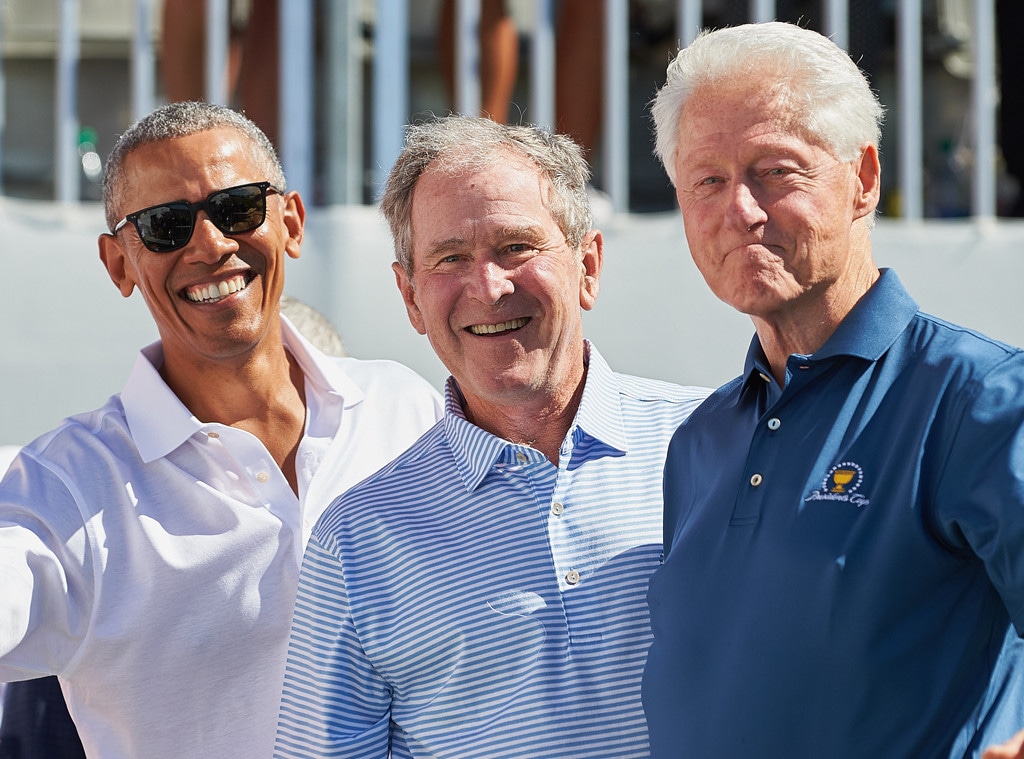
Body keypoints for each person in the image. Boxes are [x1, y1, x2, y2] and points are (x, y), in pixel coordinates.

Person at [0, 100, 442, 758]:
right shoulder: (64, 486)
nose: (209, 245)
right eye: (164, 226)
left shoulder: (407, 409)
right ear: (118, 262)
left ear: (289, 222)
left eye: (237, 208)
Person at [641, 21, 1024, 759]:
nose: (740, 211)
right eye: (708, 181)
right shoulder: (698, 439)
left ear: (864, 178)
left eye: (775, 171)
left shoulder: (979, 399)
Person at [272, 115, 710, 758]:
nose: (488, 287)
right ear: (410, 297)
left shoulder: (717, 444)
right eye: (450, 258)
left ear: (588, 265)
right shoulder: (356, 540)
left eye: (517, 247)